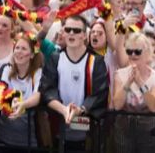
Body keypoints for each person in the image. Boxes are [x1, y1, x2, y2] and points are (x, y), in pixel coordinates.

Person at [40, 15, 109, 149]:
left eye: (76, 31)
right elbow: (47, 89)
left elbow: (99, 94)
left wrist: (81, 110)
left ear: (84, 36)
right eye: (68, 29)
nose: (71, 33)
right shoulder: (56, 58)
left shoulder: (96, 61)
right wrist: (64, 110)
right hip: (58, 128)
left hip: (86, 130)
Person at [112, 32, 155, 153]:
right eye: (129, 51)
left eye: (137, 51)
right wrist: (128, 82)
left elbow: (153, 107)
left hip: (149, 130)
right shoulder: (120, 74)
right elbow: (117, 105)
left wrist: (140, 82)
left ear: (147, 53)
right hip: (124, 129)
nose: (133, 55)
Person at [0, 32, 45, 150]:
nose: (19, 51)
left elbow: (37, 96)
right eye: (17, 48)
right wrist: (10, 99)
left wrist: (23, 104)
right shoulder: (6, 68)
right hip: (3, 138)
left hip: (30, 141)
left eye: (23, 48)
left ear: (32, 54)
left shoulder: (38, 72)